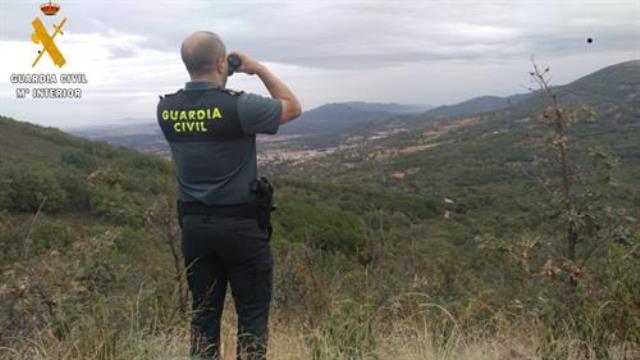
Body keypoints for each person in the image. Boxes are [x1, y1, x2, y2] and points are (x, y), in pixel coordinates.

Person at [156, 31, 301, 360]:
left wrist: (218, 76)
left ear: (187, 64)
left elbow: (202, 113)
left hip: (195, 232)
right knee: (251, 318)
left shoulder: (166, 109)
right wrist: (258, 69)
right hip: (241, 232)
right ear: (222, 62)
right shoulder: (238, 106)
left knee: (203, 317)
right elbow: (292, 107)